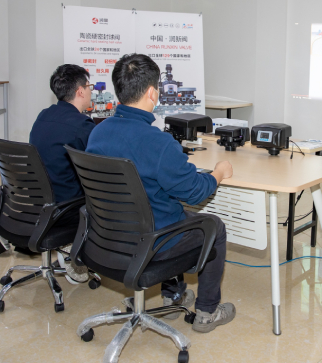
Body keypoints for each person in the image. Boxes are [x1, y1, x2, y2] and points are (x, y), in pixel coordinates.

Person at [86, 53, 235, 333]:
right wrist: (218, 172)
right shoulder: (159, 143)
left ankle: (174, 296)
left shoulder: (97, 133)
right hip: (152, 243)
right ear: (153, 93)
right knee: (213, 226)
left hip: (108, 237)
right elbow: (195, 192)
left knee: (169, 211)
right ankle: (207, 311)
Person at [29, 64, 96, 282]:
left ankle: (69, 246)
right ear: (80, 91)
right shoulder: (81, 126)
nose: (91, 91)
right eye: (89, 87)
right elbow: (101, 165)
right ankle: (73, 250)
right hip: (65, 207)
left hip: (37, 202)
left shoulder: (43, 116)